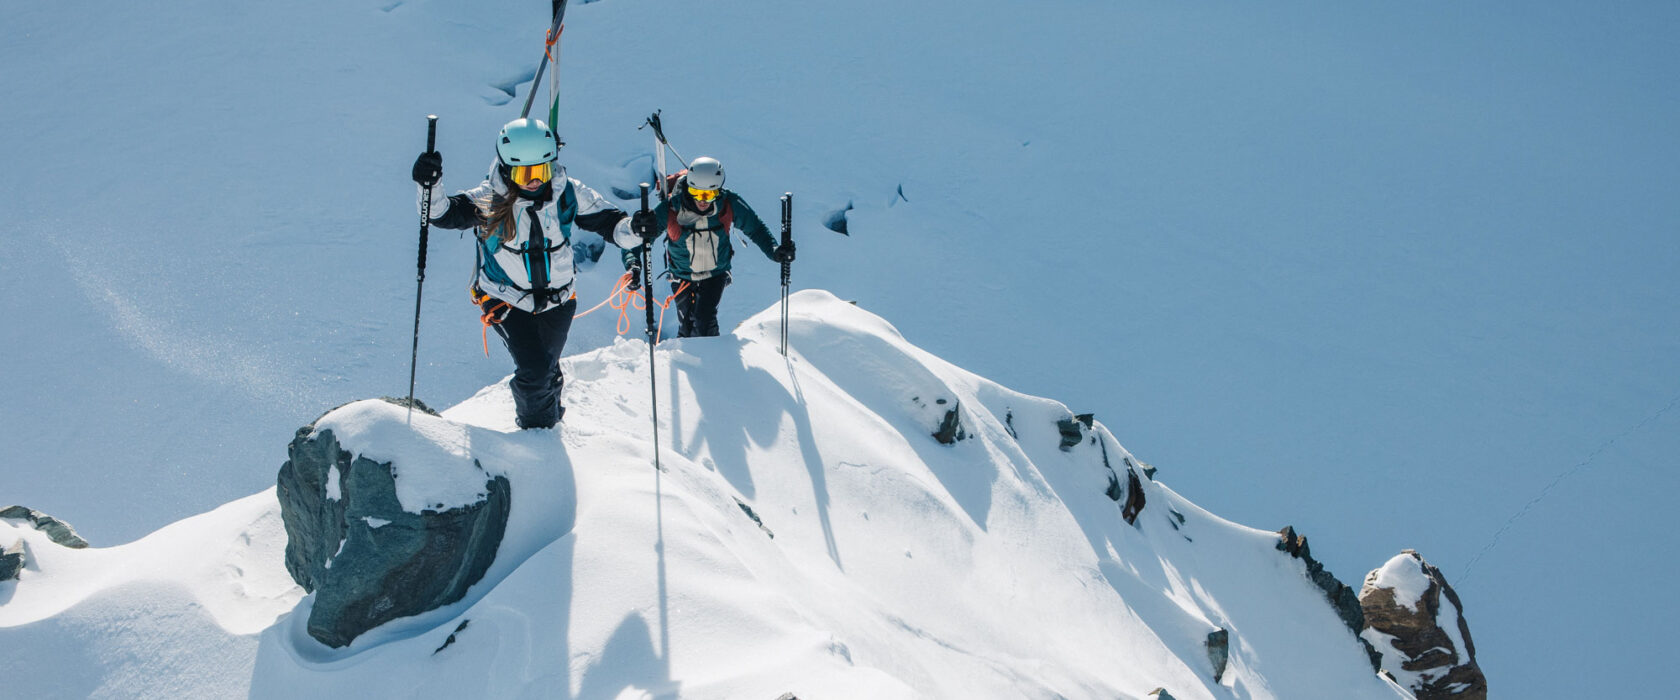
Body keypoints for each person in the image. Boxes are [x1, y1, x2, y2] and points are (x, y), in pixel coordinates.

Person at [411, 117, 643, 429]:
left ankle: (553, 423)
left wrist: (638, 229)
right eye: (524, 173)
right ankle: (537, 434)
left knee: (546, 366)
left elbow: (614, 226)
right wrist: (430, 185)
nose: (534, 181)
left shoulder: (568, 193)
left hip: (559, 302)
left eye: (542, 170)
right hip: (504, 300)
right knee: (534, 371)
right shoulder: (490, 199)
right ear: (507, 168)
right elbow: (442, 214)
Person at [624, 156, 794, 339]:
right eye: (697, 193)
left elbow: (756, 228)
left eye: (709, 194)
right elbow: (640, 237)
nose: (703, 200)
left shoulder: (729, 203)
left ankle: (714, 359)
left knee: (704, 322)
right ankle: (689, 361)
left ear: (718, 191)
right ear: (689, 188)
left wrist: (775, 251)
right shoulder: (671, 207)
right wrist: (632, 264)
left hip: (716, 275)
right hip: (681, 276)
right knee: (687, 326)